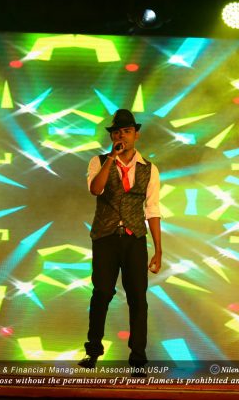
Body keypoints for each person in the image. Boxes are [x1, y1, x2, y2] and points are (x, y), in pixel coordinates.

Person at [78, 109, 162, 374]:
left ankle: (138, 360)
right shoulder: (98, 161)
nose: (121, 136)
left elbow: (153, 209)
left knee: (138, 298)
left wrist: (158, 250)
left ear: (136, 134)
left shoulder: (149, 168)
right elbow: (96, 189)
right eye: (116, 132)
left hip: (134, 238)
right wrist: (111, 159)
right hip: (105, 238)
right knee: (102, 293)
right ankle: (93, 351)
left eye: (126, 131)